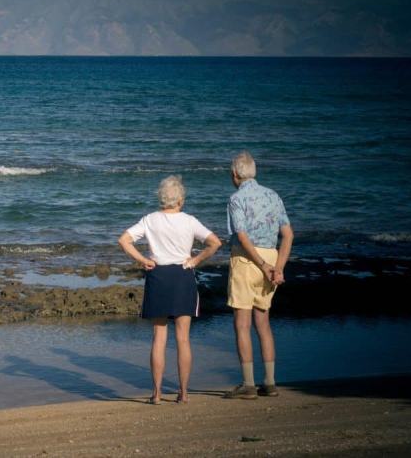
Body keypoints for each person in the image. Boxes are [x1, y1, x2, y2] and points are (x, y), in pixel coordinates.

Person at [118, 176, 221, 405]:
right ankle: (183, 392)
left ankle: (156, 394)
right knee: (183, 339)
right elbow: (215, 243)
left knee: (158, 339)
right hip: (183, 276)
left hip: (158, 276)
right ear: (181, 200)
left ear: (162, 199)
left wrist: (143, 259)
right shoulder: (189, 221)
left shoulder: (150, 219)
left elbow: (124, 240)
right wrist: (196, 260)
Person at [224, 152, 293, 400]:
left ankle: (248, 384)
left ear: (235, 174)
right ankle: (270, 382)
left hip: (246, 259)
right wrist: (279, 267)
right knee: (263, 323)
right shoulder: (273, 196)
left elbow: (241, 236)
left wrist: (262, 265)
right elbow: (288, 235)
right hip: (272, 258)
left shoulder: (236, 199)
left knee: (242, 324)